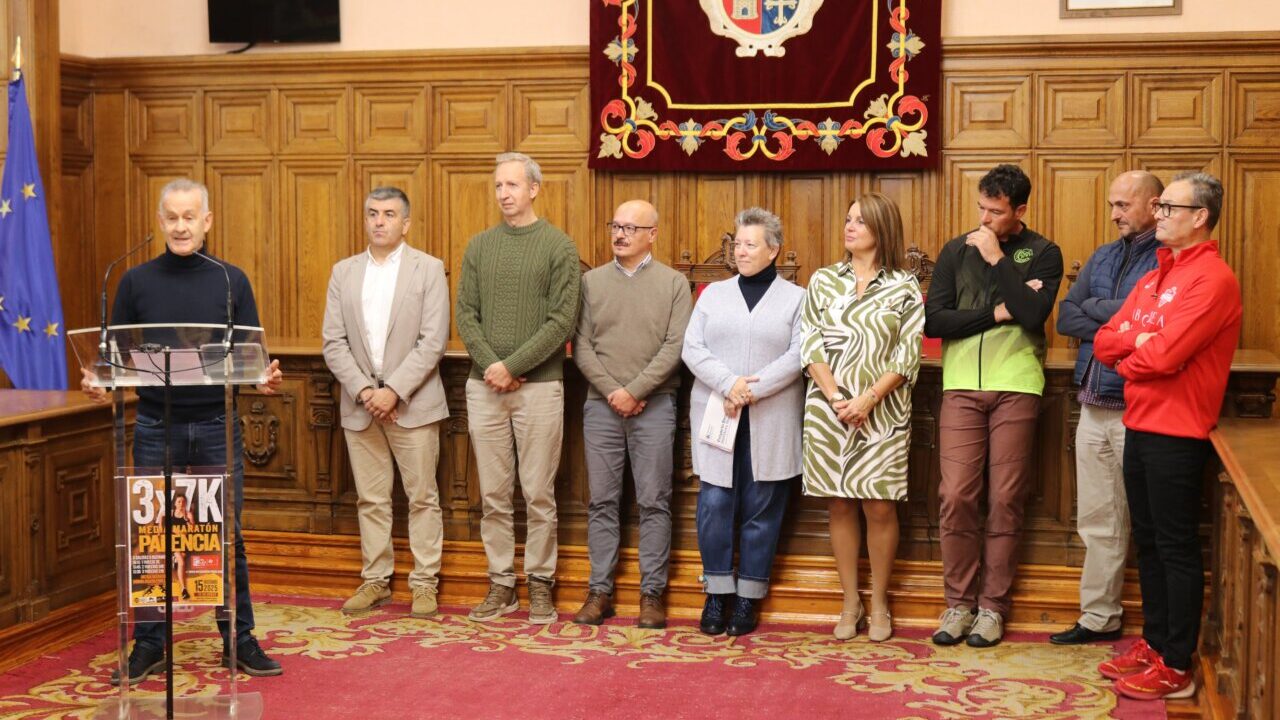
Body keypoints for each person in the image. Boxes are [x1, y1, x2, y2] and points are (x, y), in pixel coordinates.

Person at [81, 178, 284, 683]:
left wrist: (263, 378)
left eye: (190, 217)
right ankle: (150, 644)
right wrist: (99, 381)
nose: (180, 226)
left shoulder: (231, 281)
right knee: (152, 538)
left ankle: (237, 638)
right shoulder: (131, 281)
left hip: (217, 424)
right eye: (171, 217)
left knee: (225, 534)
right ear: (159, 221)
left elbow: (252, 358)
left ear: (207, 221)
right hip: (154, 426)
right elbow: (112, 361)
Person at [1094, 172, 1241, 701]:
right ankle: (1156, 644)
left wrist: (1140, 349)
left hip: (1179, 433)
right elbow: (1106, 341)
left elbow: (1165, 355)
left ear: (1199, 216)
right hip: (1141, 423)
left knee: (1176, 546)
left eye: (1167, 208)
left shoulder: (1212, 279)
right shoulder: (1155, 274)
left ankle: (1176, 663)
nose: (1157, 215)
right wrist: (1141, 340)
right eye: (1157, 208)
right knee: (1149, 543)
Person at [924, 164, 1064, 648]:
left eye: (996, 212)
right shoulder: (954, 250)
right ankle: (958, 604)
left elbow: (1032, 316)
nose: (984, 220)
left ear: (1019, 210)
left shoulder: (1043, 253)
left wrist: (998, 259)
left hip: (1017, 385)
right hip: (961, 384)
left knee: (1005, 498)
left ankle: (991, 609)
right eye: (981, 208)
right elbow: (935, 321)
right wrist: (996, 312)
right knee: (957, 495)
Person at [455, 152, 581, 624]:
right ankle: (501, 585)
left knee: (538, 493)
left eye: (512, 185)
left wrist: (513, 365)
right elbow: (466, 314)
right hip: (484, 387)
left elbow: (561, 321)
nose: (504, 193)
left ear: (534, 189)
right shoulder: (479, 246)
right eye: (498, 186)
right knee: (493, 495)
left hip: (540, 388)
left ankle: (541, 585)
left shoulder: (559, 247)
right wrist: (494, 367)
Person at [322, 187, 450, 620]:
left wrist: (393, 391)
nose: (379, 221)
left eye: (389, 214)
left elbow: (433, 341)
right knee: (371, 499)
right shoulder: (344, 272)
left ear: (405, 224)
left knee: (422, 498)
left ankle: (424, 582)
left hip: (412, 404)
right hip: (360, 406)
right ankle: (376, 580)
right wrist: (365, 392)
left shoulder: (429, 269)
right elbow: (333, 342)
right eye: (373, 214)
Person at [801, 193, 924, 643]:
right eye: (847, 218)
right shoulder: (822, 280)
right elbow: (809, 344)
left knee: (878, 504)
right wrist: (837, 398)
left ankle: (879, 601)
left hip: (882, 411)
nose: (849, 226)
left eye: (859, 221)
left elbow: (907, 353)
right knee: (838, 502)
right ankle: (850, 599)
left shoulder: (904, 286)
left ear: (881, 228)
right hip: (828, 410)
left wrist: (867, 399)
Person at [1051, 171, 1163, 646]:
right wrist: (1119, 316)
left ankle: (1154, 630)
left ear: (1155, 205)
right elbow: (1064, 317)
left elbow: (1156, 324)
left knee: (1149, 523)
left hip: (1137, 406)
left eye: (1123, 205)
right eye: (1112, 205)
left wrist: (1100, 310)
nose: (1114, 214)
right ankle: (1099, 616)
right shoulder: (1102, 255)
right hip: (1091, 403)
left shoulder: (1168, 260)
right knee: (1096, 516)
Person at [682, 207, 804, 637]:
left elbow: (799, 354)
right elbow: (692, 349)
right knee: (714, 504)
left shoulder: (797, 298)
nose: (741, 249)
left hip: (771, 415)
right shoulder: (712, 295)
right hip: (720, 411)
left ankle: (749, 597)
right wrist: (730, 383)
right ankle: (716, 592)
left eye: (751, 243)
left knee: (762, 506)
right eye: (737, 242)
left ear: (774, 250)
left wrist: (754, 388)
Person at [571, 200, 692, 629]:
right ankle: (599, 591)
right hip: (601, 406)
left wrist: (636, 390)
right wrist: (613, 392)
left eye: (630, 227)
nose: (619, 234)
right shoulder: (590, 283)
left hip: (655, 405)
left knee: (654, 502)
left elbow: (676, 347)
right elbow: (581, 346)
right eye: (615, 225)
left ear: (652, 234)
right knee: (602, 501)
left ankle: (651, 594)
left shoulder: (674, 284)